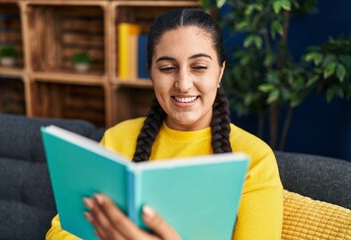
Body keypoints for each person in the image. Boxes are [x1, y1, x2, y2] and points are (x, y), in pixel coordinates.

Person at [46, 8, 283, 240]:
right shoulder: (117, 138)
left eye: (199, 67)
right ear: (150, 72)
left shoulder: (254, 159)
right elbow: (61, 231)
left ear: (220, 72)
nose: (183, 84)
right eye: (167, 68)